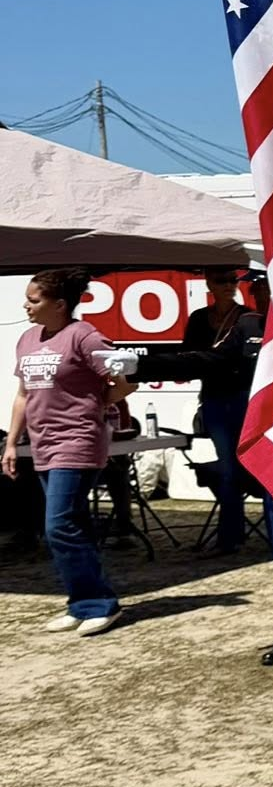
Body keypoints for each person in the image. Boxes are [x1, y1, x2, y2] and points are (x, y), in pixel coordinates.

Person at [3, 268, 133, 636]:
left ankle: (99, 603)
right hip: (42, 444)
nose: (26, 305)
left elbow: (127, 380)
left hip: (78, 441)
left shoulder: (84, 336)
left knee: (58, 524)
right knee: (68, 524)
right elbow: (23, 396)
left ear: (60, 305)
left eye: (34, 299)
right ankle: (81, 603)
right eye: (27, 298)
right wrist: (12, 443)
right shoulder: (28, 339)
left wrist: (98, 402)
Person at [181, 266, 266, 553]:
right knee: (228, 467)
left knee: (257, 464)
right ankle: (231, 536)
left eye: (232, 280)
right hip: (216, 398)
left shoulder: (248, 317)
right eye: (222, 281)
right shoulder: (199, 319)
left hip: (245, 397)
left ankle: (258, 533)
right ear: (209, 285)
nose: (229, 285)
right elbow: (188, 357)